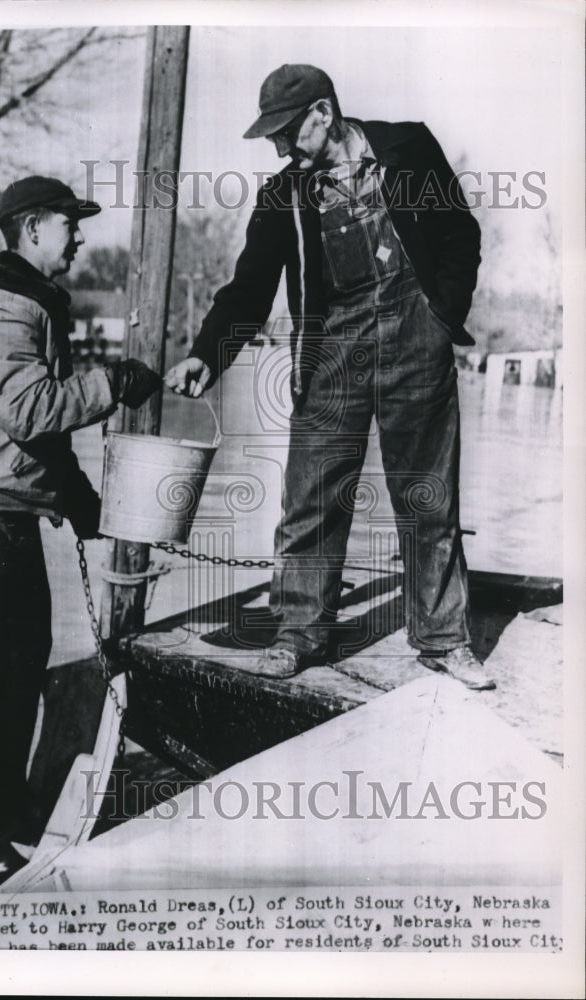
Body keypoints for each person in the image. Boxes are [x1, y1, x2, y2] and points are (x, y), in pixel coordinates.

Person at [165, 64, 494, 691]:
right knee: (310, 496)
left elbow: (460, 234)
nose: (283, 148)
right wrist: (206, 353)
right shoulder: (283, 196)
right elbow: (248, 291)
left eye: (289, 133)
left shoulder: (409, 148)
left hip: (415, 340)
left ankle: (445, 640)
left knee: (429, 496)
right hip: (332, 350)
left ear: (324, 112)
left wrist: (441, 311)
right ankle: (298, 634)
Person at [0, 175, 162, 880]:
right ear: (31, 230)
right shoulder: (5, 311)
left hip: (2, 510)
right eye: (69, 224)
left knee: (22, 660)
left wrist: (82, 501)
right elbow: (30, 411)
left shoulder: (33, 308)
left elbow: (38, 437)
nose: (79, 236)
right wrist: (112, 383)